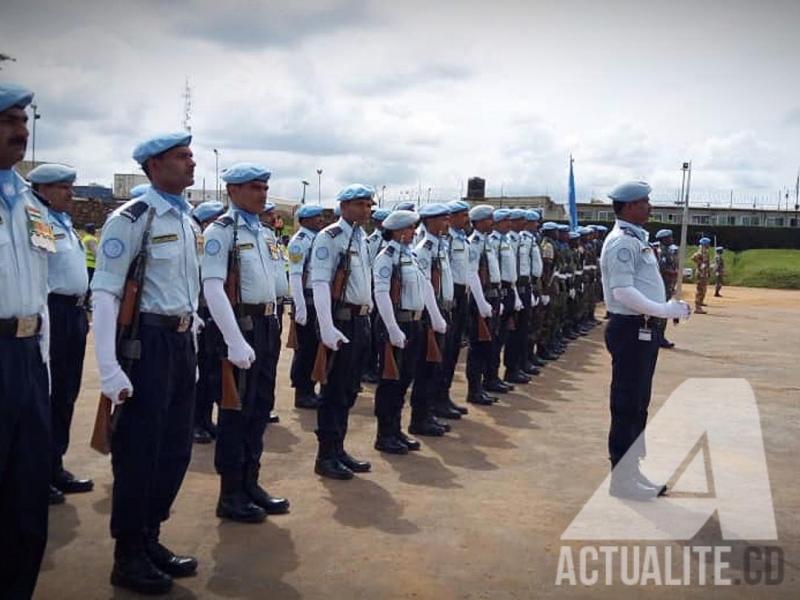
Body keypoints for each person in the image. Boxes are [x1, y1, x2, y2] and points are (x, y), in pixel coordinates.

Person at [92, 132, 201, 594]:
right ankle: (128, 553)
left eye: (192, 155)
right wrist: (108, 368)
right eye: (182, 157)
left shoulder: (188, 219)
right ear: (154, 166)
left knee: (175, 447)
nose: (191, 163)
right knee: (139, 451)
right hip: (146, 345)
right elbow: (105, 292)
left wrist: (192, 332)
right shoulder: (132, 218)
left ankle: (151, 536)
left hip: (179, 343)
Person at [202, 163, 290, 524]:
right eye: (254, 187)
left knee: (259, 408)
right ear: (233, 191)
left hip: (268, 325)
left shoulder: (265, 232)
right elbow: (212, 286)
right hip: (241, 326)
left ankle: (251, 482)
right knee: (235, 412)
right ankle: (231, 492)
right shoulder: (221, 231)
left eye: (264, 187)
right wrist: (234, 340)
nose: (262, 194)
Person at [600, 181, 691, 501]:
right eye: (644, 202)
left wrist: (664, 310)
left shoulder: (637, 239)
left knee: (638, 404)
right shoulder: (622, 243)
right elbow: (622, 292)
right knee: (627, 404)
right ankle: (621, 480)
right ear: (627, 207)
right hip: (630, 329)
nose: (650, 206)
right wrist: (662, 309)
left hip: (643, 329)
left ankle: (631, 471)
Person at [0, 82, 53, 600]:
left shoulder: (27, 203)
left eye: (23, 120)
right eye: (8, 120)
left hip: (28, 354)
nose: (22, 130)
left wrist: (44, 361)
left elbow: (37, 292)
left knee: (27, 493)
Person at [28, 164, 94, 505]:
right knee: (48, 396)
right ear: (42, 189)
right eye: (63, 187)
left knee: (67, 391)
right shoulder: (36, 221)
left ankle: (55, 464)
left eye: (71, 186)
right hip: (52, 310)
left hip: (75, 313)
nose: (71, 193)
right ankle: (39, 473)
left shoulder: (65, 225)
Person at [308, 183, 375, 480]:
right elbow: (321, 282)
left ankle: (339, 449)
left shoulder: (362, 238)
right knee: (333, 390)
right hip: (340, 320)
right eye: (360, 204)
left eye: (368, 205)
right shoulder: (330, 237)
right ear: (344, 206)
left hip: (359, 321)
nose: (366, 210)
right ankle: (325, 455)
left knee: (348, 390)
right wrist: (326, 327)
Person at [372, 210, 429, 453]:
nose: (413, 232)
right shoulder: (387, 257)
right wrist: (392, 328)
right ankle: (384, 435)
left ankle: (396, 430)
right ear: (398, 230)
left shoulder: (410, 255)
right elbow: (382, 293)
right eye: (409, 228)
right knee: (390, 382)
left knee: (404, 380)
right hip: (397, 324)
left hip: (413, 324)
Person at [409, 203, 451, 435]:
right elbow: (425, 287)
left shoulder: (439, 246)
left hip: (443, 310)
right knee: (427, 368)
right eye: (442, 219)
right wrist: (435, 316)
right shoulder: (423, 249)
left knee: (437, 367)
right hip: (429, 315)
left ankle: (429, 414)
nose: (447, 223)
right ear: (430, 222)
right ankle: (419, 418)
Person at [191, 200, 227, 444]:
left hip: (214, 316)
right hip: (200, 314)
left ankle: (205, 420)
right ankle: (195, 423)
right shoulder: (198, 247)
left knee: (213, 373)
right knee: (201, 373)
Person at [288, 204, 326, 410]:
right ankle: (303, 392)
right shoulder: (299, 242)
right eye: (315, 217)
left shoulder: (317, 239)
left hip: (317, 300)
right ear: (303, 220)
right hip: (307, 300)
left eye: (320, 217)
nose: (320, 220)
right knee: (305, 348)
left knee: (314, 347)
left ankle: (310, 389)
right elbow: (295, 275)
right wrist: (300, 306)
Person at [464, 205, 501, 405]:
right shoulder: (474, 243)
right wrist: (481, 302)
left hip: (490, 296)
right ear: (478, 222)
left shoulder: (486, 242)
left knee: (489, 344)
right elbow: (472, 274)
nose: (491, 222)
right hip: (481, 299)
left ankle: (483, 385)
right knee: (478, 347)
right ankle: (474, 390)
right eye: (488, 219)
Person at [438, 199, 472, 416]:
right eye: (463, 215)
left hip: (462, 294)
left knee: (453, 352)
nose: (467, 219)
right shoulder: (446, 239)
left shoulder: (463, 239)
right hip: (449, 297)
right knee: (445, 351)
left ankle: (444, 395)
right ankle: (437, 399)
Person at [654, 229, 678, 348]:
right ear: (664, 239)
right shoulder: (662, 252)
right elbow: (662, 269)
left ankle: (659, 336)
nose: (671, 239)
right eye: (669, 237)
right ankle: (659, 338)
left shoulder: (667, 251)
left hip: (667, 285)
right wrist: (674, 273)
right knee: (662, 313)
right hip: (663, 286)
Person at [691, 237, 711, 314]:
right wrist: (700, 263)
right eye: (708, 244)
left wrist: (708, 271)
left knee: (703, 289)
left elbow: (707, 263)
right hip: (700, 273)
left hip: (704, 273)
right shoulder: (700, 252)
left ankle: (700, 302)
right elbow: (693, 258)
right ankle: (697, 307)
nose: (709, 245)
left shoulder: (705, 252)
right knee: (700, 290)